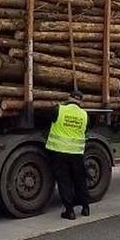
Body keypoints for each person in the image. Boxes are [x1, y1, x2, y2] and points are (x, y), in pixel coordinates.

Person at [46, 90, 90, 220]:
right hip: (77, 153)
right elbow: (85, 130)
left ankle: (69, 211)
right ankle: (86, 208)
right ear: (80, 101)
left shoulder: (58, 109)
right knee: (80, 180)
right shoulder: (84, 114)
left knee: (64, 181)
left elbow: (47, 119)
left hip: (60, 152)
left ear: (68, 98)